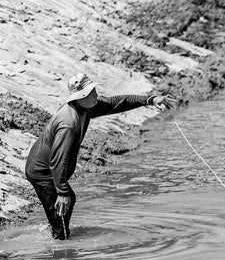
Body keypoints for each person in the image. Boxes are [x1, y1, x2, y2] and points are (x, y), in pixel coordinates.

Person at [24, 73, 177, 239]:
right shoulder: (68, 123)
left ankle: (55, 236)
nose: (97, 95)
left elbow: (117, 103)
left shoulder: (86, 106)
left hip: (51, 169)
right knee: (63, 211)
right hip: (43, 172)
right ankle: (60, 248)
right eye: (92, 93)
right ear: (81, 96)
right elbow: (58, 159)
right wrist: (61, 192)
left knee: (67, 204)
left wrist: (151, 100)